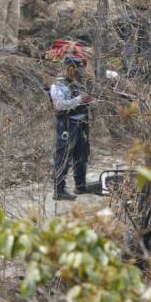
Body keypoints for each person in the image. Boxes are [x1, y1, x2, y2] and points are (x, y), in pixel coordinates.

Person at [50, 57, 94, 201]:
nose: (77, 73)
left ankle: (80, 185)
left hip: (81, 123)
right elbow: (60, 105)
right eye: (75, 69)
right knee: (63, 155)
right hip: (67, 124)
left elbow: (84, 100)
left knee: (81, 154)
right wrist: (79, 100)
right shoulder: (57, 86)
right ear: (67, 68)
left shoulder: (76, 85)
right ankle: (59, 190)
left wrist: (90, 101)